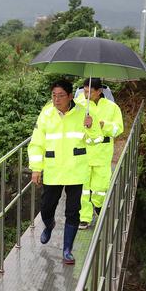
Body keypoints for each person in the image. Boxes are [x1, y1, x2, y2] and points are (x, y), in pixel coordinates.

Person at [28, 80, 102, 264]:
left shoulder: (84, 113)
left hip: (76, 170)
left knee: (73, 211)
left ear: (70, 96)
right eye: (54, 95)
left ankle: (67, 250)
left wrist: (91, 126)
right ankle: (49, 224)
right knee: (46, 207)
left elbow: (97, 139)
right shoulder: (46, 114)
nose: (56, 99)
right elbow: (37, 143)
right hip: (53, 170)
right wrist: (36, 168)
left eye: (61, 95)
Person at [75, 78, 124, 229]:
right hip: (83, 152)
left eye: (90, 91)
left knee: (100, 186)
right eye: (84, 90)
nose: (86, 94)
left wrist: (104, 125)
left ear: (99, 91)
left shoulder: (112, 107)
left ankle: (98, 205)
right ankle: (84, 217)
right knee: (83, 188)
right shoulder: (78, 105)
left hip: (102, 153)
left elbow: (118, 129)